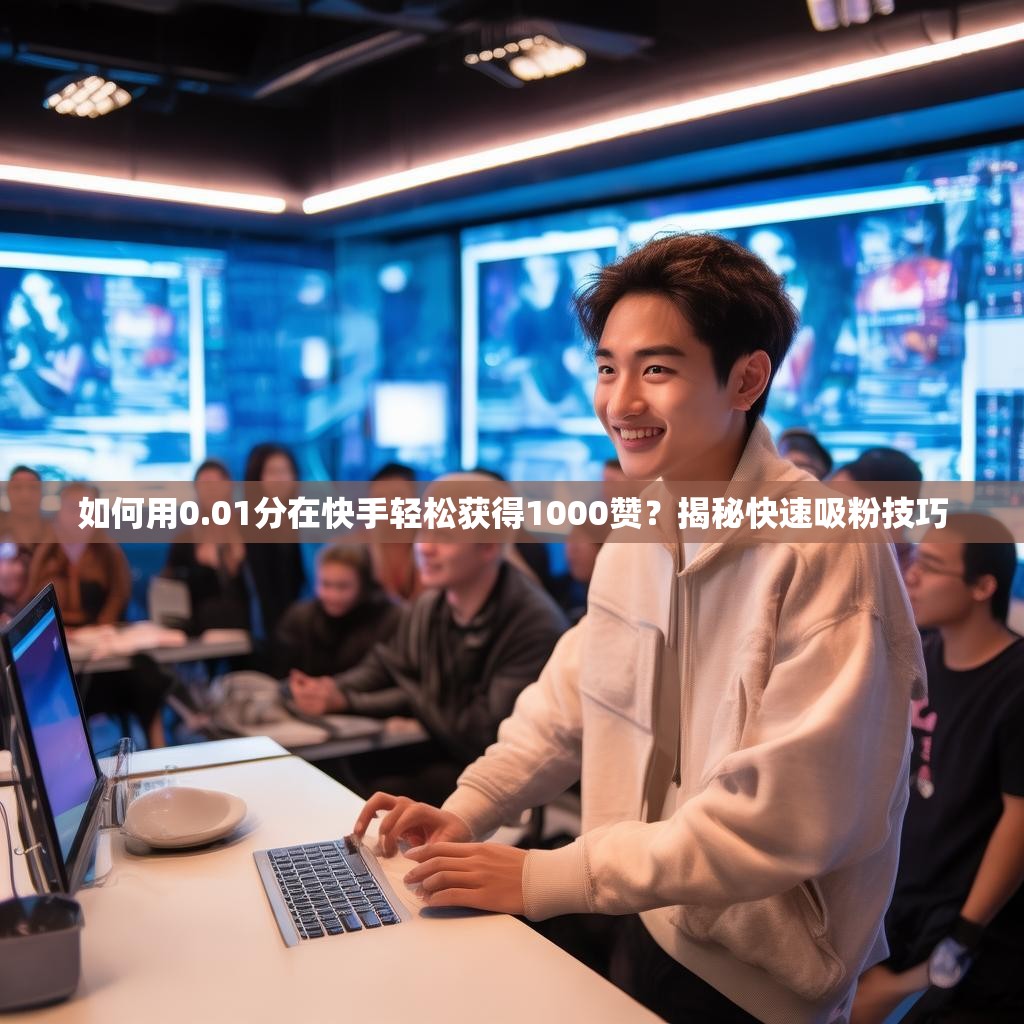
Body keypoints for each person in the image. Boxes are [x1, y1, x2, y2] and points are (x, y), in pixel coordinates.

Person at [353, 232, 925, 1024]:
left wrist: (546, 877)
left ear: (747, 378)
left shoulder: (828, 547)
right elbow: (570, 705)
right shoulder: (642, 525)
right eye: (607, 368)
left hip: (761, 979)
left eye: (656, 369)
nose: (620, 402)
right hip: (642, 917)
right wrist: (470, 807)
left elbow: (784, 816)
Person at [852, 515, 1024, 1024]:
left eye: (930, 566)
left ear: (982, 586)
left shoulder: (1015, 684)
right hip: (898, 909)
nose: (911, 576)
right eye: (913, 560)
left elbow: (1018, 824)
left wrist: (960, 940)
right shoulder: (918, 658)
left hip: (966, 935)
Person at [290, 538, 568, 806]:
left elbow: (483, 734)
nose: (424, 547)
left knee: (375, 789)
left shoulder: (532, 623)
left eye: (444, 535)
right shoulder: (430, 604)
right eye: (423, 531)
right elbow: (387, 665)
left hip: (487, 773)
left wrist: (352, 702)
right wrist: (330, 689)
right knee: (332, 771)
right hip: (440, 747)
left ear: (488, 547)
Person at [27, 482, 168, 748]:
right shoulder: (46, 550)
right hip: (60, 644)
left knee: (146, 678)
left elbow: (119, 593)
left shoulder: (108, 550)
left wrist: (103, 626)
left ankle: (158, 748)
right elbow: (34, 596)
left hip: (101, 642)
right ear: (60, 512)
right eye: (73, 508)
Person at [273, 543, 401, 682]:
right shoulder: (299, 618)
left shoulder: (389, 619)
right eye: (326, 584)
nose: (333, 596)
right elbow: (283, 674)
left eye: (342, 586)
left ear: (364, 585)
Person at [163, 458, 250, 632]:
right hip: (200, 627)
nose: (210, 491)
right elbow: (171, 587)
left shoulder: (248, 530)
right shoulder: (185, 540)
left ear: (229, 486)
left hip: (247, 623)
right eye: (203, 485)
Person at [243, 443, 306, 640]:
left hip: (304, 625)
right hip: (261, 630)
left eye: (285, 471)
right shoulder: (243, 524)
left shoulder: (307, 521)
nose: (280, 478)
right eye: (272, 472)